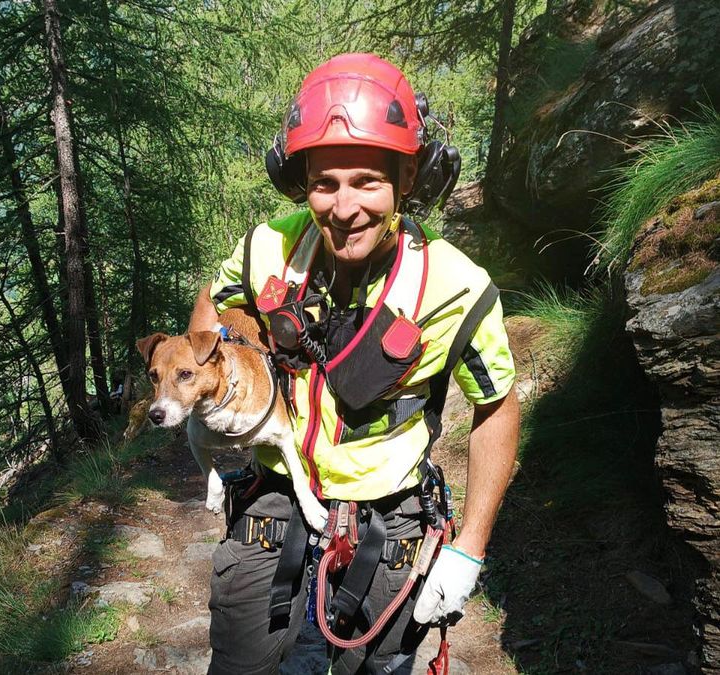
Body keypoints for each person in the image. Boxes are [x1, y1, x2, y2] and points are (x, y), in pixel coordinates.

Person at [188, 53, 520, 674]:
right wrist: (211, 382)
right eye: (325, 182)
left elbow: (495, 406)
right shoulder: (268, 247)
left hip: (388, 528)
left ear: (405, 179)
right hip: (272, 506)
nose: (344, 208)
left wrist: (469, 548)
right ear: (301, 182)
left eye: (367, 180)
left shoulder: (455, 287)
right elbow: (213, 301)